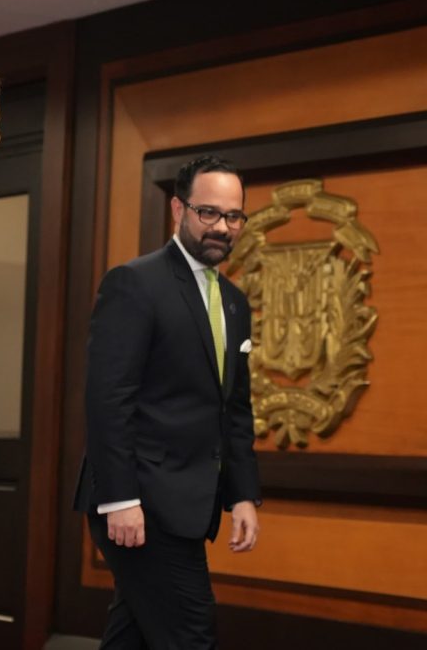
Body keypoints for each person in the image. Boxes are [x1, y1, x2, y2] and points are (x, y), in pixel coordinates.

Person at [74, 155, 262, 649]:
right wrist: (120, 499)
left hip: (192, 501)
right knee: (190, 633)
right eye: (208, 213)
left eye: (234, 216)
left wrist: (241, 493)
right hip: (141, 501)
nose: (222, 227)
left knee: (133, 634)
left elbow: (234, 409)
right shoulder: (135, 283)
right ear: (178, 209)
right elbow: (108, 399)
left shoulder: (236, 303)